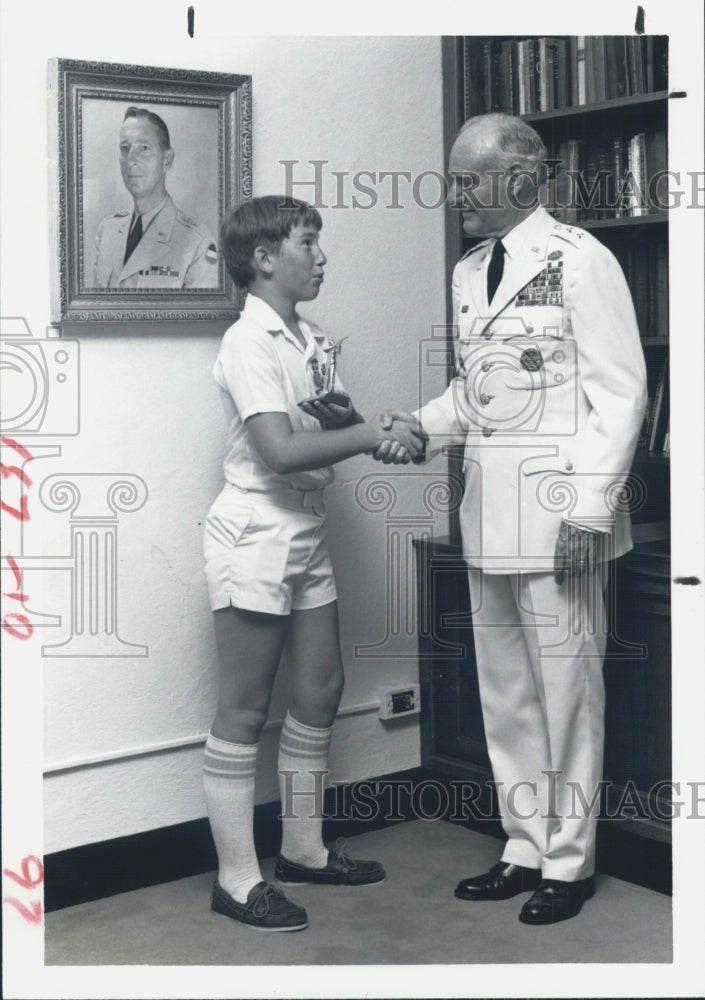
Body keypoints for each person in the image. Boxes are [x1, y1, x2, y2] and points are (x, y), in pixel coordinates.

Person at [412, 113, 647, 924]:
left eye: (467, 181)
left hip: (562, 520)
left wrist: (588, 507)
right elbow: (480, 391)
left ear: (520, 178)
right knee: (506, 691)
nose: (456, 196)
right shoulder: (469, 270)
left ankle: (570, 861)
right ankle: (522, 843)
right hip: (488, 513)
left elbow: (622, 393)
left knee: (567, 693)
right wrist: (421, 423)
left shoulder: (581, 261)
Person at [202, 195, 426, 931]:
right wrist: (368, 435)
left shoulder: (312, 336)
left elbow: (330, 421)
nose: (322, 255)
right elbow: (279, 449)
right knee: (242, 707)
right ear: (265, 259)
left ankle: (303, 850)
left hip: (305, 526)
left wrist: (386, 430)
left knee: (320, 689)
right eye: (308, 242)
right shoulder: (247, 340)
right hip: (255, 531)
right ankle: (237, 881)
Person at [91, 106, 219, 289]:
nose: (131, 159)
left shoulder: (198, 243)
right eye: (124, 148)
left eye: (144, 148)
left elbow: (200, 317)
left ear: (167, 160)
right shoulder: (107, 231)